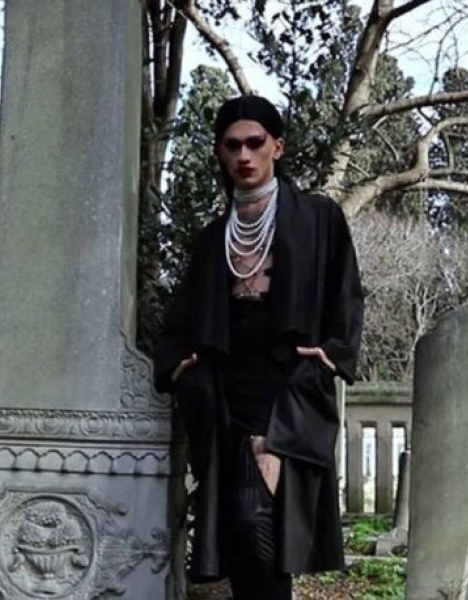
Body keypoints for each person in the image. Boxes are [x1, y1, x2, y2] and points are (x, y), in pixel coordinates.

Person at [153, 95, 364, 600]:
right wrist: (180, 368)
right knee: (239, 530)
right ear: (220, 153)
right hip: (226, 393)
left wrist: (331, 355)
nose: (244, 155)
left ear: (278, 147)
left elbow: (347, 294)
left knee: (256, 520)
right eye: (232, 146)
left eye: (255, 143)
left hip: (288, 387)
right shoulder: (213, 239)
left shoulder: (318, 217)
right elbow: (180, 322)